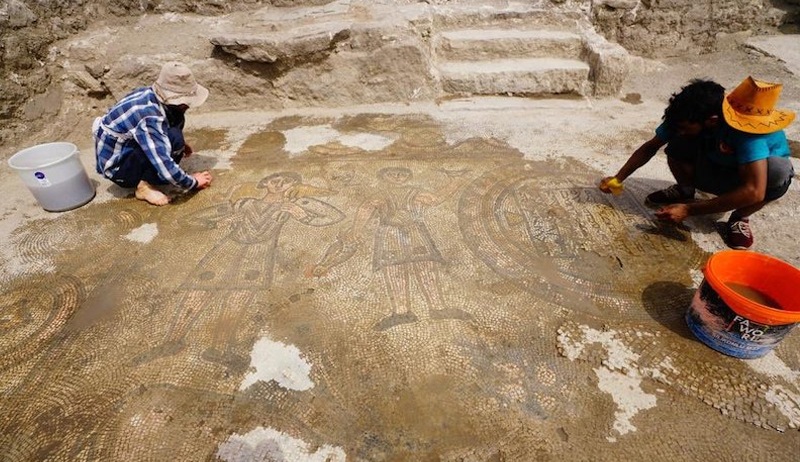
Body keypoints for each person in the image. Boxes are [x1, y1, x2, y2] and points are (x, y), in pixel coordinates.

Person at [599, 77, 795, 249]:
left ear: (711, 121)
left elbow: (754, 190)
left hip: (748, 180)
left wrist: (689, 210)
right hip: (718, 166)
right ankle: (685, 190)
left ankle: (740, 217)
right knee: (678, 141)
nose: (681, 130)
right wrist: (618, 178)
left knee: (778, 170)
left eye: (685, 127)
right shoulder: (685, 114)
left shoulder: (748, 131)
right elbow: (651, 146)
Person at [93, 61, 212, 206]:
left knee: (175, 132)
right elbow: (164, 165)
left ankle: (146, 174)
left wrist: (179, 145)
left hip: (124, 150)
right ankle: (143, 186)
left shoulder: (149, 95)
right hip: (118, 170)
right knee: (175, 139)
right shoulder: (149, 118)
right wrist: (192, 182)